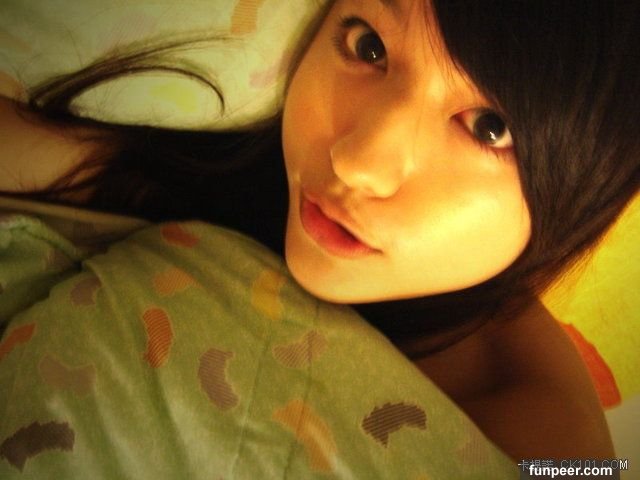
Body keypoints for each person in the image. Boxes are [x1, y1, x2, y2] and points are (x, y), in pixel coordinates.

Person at [1, 0, 638, 464]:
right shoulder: (235, 176)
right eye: (369, 47)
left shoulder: (556, 452)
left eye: (488, 127)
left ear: (580, 195)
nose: (356, 161)